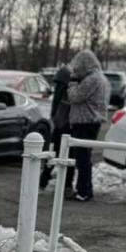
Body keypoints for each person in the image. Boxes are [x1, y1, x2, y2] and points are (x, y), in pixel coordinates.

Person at [63, 49, 110, 201]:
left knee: (82, 159)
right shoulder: (100, 78)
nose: (76, 69)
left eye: (78, 66)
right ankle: (83, 189)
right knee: (83, 157)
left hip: (85, 122)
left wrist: (71, 84)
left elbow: (75, 97)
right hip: (90, 121)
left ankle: (84, 191)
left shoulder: (92, 80)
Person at [40, 64, 74, 193]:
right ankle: (64, 184)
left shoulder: (63, 89)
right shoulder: (68, 87)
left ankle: (44, 180)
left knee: (55, 151)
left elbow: (56, 103)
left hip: (62, 122)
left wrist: (54, 116)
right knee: (64, 153)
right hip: (65, 123)